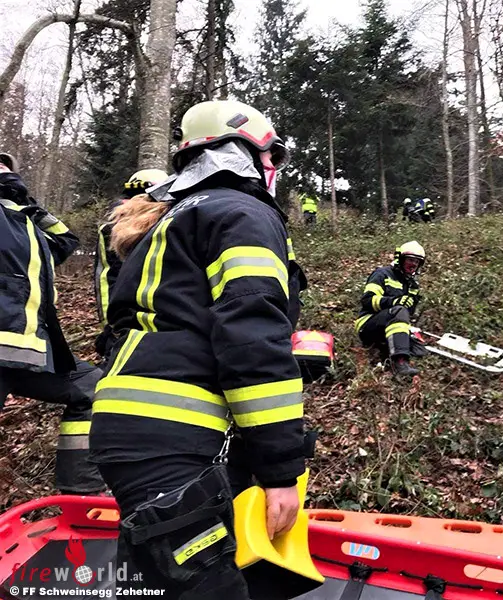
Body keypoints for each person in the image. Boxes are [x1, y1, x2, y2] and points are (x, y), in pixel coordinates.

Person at [88, 100, 314, 599]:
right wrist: (280, 470)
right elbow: (251, 334)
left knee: (156, 580)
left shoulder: (170, 219)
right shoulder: (242, 214)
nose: (274, 168)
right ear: (244, 152)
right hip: (178, 432)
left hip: (141, 427)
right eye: (272, 155)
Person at [0, 152, 104, 493]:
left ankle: (81, 493)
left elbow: (66, 241)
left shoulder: (26, 225)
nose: (2, 169)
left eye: (6, 166)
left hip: (25, 353)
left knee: (91, 386)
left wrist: (28, 203)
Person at [94, 169, 168, 363]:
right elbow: (106, 278)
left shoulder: (111, 226)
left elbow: (105, 279)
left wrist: (109, 324)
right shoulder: (170, 220)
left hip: (130, 319)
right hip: (161, 318)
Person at [355, 241, 424, 378]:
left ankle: (389, 350)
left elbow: (407, 314)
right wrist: (394, 301)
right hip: (368, 324)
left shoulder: (412, 284)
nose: (413, 264)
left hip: (388, 326)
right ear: (400, 259)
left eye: (417, 262)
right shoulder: (382, 274)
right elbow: (367, 301)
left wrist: (411, 302)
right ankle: (400, 363)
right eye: (410, 260)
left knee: (419, 349)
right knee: (399, 311)